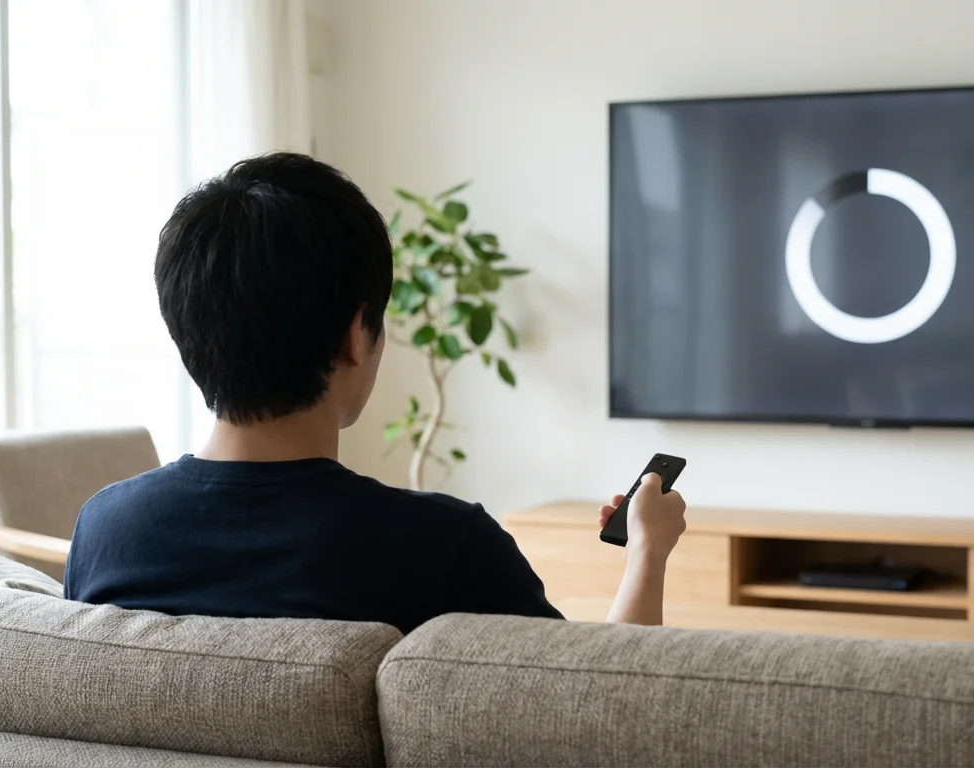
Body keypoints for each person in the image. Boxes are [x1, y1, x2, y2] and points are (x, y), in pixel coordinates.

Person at [63, 152, 687, 631]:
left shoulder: (107, 531)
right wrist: (649, 552)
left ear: (185, 329)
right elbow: (599, 713)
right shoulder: (443, 547)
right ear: (354, 337)